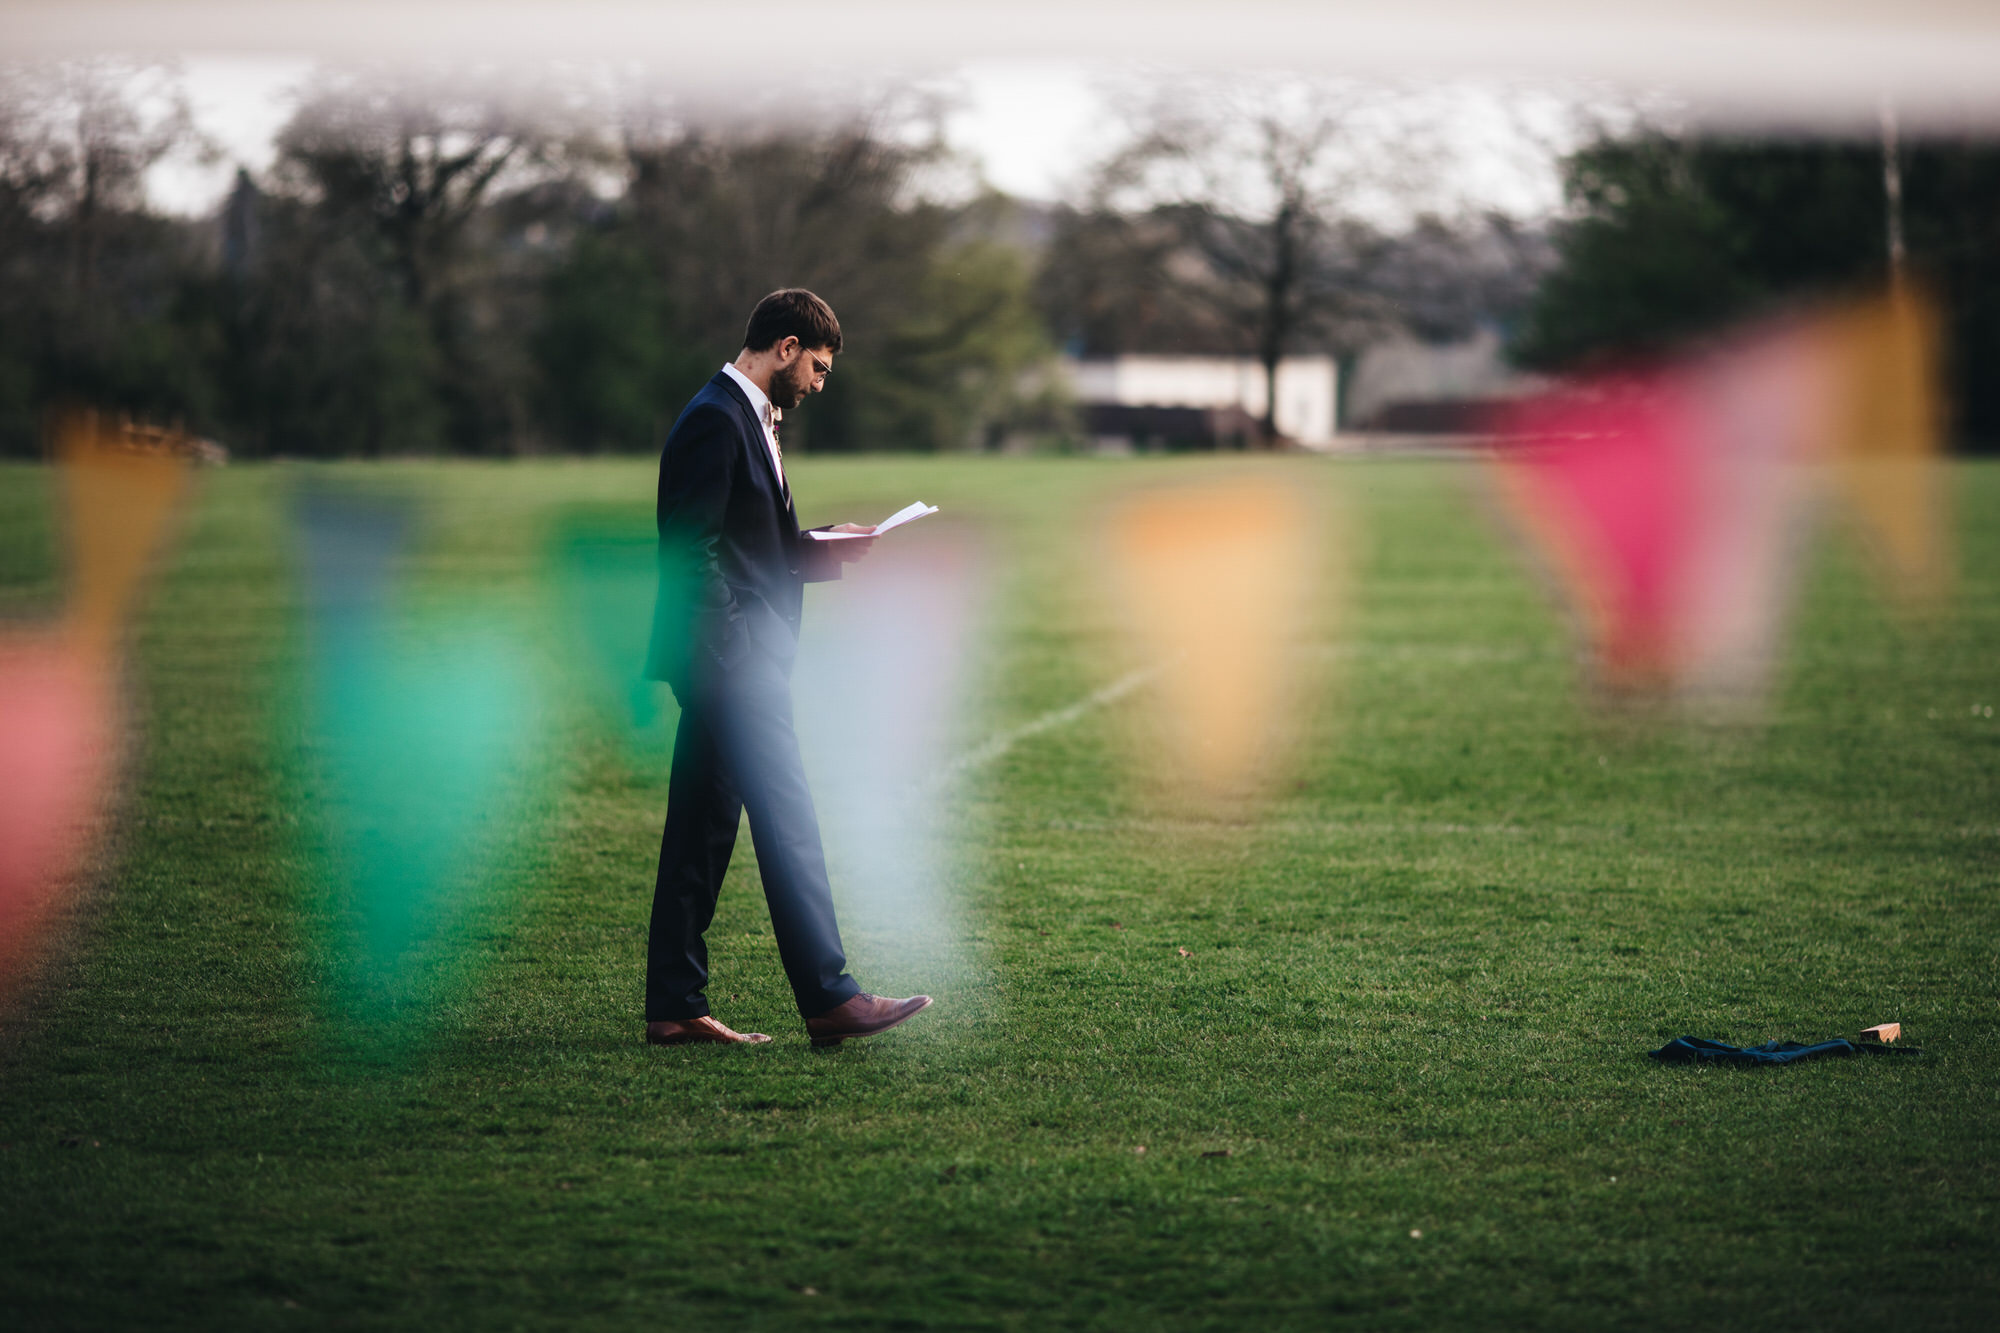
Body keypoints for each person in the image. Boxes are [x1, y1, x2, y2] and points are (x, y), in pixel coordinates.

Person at [641, 289, 933, 1047]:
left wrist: (821, 546)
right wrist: (737, 658)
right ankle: (831, 996)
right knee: (790, 817)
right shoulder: (715, 418)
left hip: (728, 656)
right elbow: (691, 556)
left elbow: (745, 545)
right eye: (820, 367)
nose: (819, 384)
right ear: (786, 346)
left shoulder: (747, 417)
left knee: (701, 832)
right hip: (728, 661)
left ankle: (674, 1004)